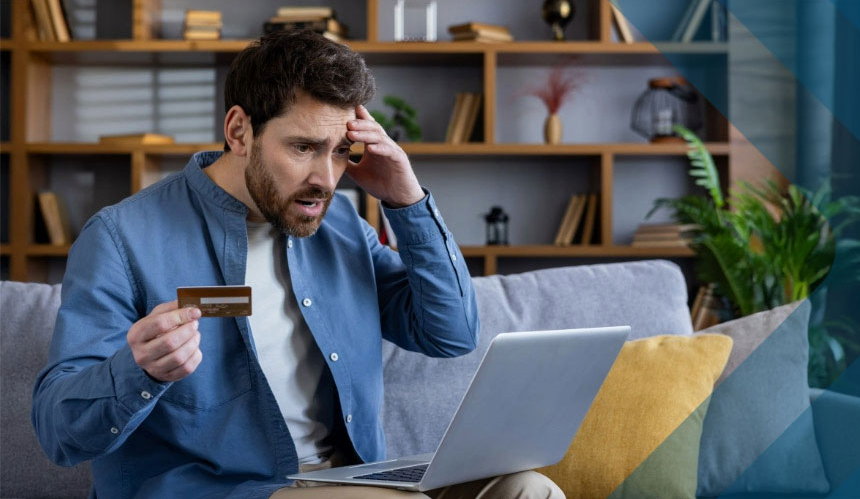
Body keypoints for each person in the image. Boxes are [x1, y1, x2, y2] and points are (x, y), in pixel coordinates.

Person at [30, 30, 563, 499]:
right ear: (239, 132)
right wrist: (139, 370)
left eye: (340, 151)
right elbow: (59, 433)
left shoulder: (342, 225)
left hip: (353, 480)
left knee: (527, 489)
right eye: (304, 147)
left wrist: (406, 200)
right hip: (224, 490)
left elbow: (450, 333)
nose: (326, 180)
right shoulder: (122, 238)